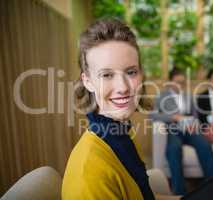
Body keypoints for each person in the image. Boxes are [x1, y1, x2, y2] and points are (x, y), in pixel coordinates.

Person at [62, 19, 179, 200]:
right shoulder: (89, 173)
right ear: (88, 82)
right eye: (107, 75)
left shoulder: (120, 132)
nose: (123, 87)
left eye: (131, 72)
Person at [149, 68, 213, 195]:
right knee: (174, 148)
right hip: (172, 129)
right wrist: (174, 117)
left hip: (189, 129)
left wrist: (194, 124)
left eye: (182, 82)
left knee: (205, 145)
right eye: (177, 82)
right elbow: (152, 116)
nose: (180, 85)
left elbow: (195, 116)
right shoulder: (161, 96)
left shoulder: (188, 96)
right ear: (170, 82)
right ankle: (180, 192)